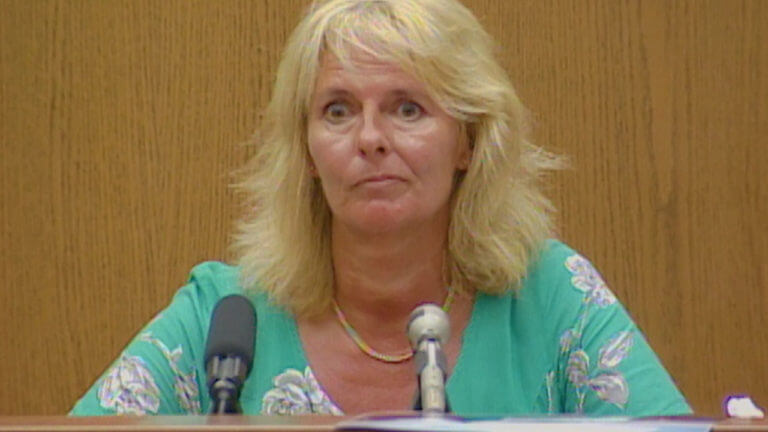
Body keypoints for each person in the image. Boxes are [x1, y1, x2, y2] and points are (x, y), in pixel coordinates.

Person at [70, 0, 691, 417]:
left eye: (408, 109)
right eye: (338, 110)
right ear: (307, 151)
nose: (370, 138)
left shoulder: (554, 299)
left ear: (468, 142)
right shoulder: (225, 317)